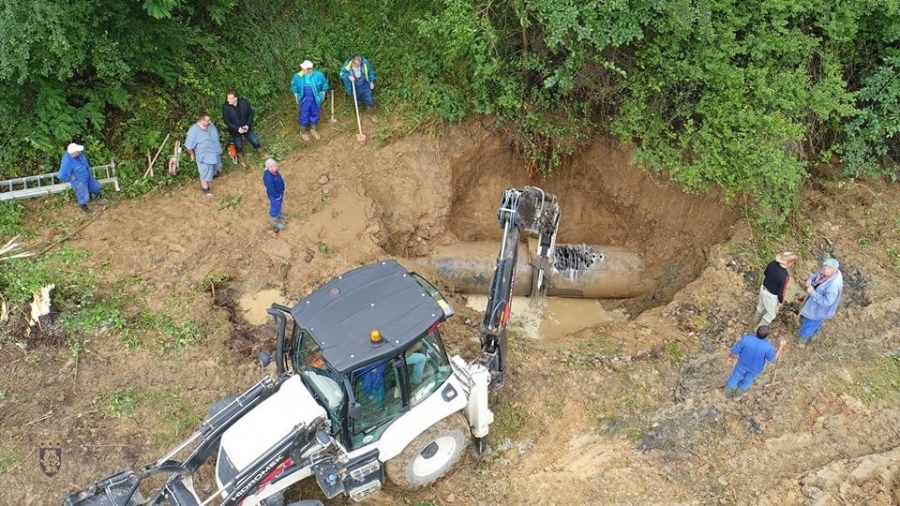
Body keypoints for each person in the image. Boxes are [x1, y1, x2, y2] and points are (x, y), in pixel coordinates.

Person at [724, 325, 785, 398]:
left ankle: (725, 396)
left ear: (756, 331)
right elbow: (773, 360)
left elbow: (734, 351)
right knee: (746, 382)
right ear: (766, 336)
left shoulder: (746, 339)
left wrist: (731, 357)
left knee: (734, 378)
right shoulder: (768, 347)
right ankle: (737, 396)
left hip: (742, 364)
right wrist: (781, 347)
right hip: (755, 369)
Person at [798, 258, 844, 343]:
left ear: (834, 269)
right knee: (815, 322)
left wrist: (812, 292)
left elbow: (827, 302)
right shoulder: (827, 271)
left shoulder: (833, 285)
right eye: (825, 267)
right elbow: (817, 275)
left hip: (818, 309)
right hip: (814, 304)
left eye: (828, 269)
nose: (825, 270)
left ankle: (802, 338)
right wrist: (810, 279)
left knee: (810, 323)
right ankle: (815, 330)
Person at [755, 252, 799, 328]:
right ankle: (759, 328)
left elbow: (765, 273)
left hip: (763, 288)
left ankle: (755, 320)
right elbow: (782, 291)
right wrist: (780, 301)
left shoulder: (772, 263)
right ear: (789, 263)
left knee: (760, 306)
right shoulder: (785, 276)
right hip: (770, 295)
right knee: (771, 315)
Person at [222, 90, 265, 165]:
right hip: (235, 130)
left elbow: (251, 114)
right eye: (228, 98)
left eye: (230, 99)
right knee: (238, 145)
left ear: (236, 98)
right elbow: (226, 121)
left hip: (246, 127)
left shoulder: (244, 103)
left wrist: (247, 125)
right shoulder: (226, 107)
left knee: (254, 140)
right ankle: (241, 158)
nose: (228, 100)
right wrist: (237, 128)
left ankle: (262, 152)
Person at [58, 143, 103, 215]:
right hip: (79, 181)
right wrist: (70, 177)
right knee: (83, 196)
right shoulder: (67, 162)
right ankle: (85, 209)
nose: (80, 152)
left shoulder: (79, 154)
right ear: (73, 154)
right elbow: (61, 175)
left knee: (96, 187)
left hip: (87, 174)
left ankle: (98, 199)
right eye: (78, 152)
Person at [185, 112, 223, 196]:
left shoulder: (211, 125)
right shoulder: (193, 131)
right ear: (201, 120)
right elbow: (188, 146)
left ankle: (215, 176)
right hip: (204, 156)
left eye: (209, 120)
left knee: (216, 166)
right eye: (207, 121)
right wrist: (192, 154)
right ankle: (206, 189)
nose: (209, 122)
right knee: (204, 172)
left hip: (215, 152)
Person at [290, 60, 328, 141]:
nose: (302, 70)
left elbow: (324, 86)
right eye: (302, 68)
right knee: (304, 114)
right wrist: (296, 97)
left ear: (310, 69)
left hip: (315, 99)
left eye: (304, 69)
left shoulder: (319, 75)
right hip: (304, 99)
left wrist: (322, 96)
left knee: (315, 113)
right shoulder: (298, 76)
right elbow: (294, 88)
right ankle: (303, 132)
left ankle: (313, 130)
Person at [340, 55, 377, 122]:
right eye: (357, 64)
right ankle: (359, 113)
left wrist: (371, 81)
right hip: (354, 86)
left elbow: (370, 71)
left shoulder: (365, 62)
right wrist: (348, 76)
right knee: (357, 101)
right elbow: (342, 74)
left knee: (369, 99)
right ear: (352, 63)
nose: (359, 65)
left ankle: (371, 114)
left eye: (360, 63)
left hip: (365, 84)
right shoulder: (347, 66)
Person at [262, 158, 287, 230]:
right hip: (275, 196)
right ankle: (275, 221)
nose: (277, 167)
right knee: (275, 207)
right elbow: (271, 190)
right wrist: (277, 196)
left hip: (279, 192)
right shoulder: (268, 178)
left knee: (279, 204)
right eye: (275, 165)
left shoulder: (274, 171)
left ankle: (279, 214)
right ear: (270, 167)